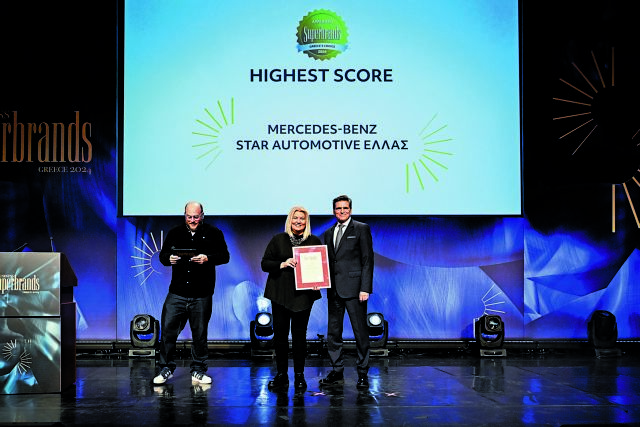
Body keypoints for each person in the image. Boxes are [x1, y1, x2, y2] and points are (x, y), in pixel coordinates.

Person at [153, 201, 230, 385]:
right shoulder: (175, 233)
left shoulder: (214, 233)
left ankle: (198, 370)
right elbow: (162, 256)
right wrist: (169, 258)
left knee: (200, 334)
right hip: (177, 292)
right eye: (189, 217)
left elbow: (225, 256)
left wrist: (207, 258)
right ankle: (166, 368)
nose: (193, 220)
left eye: (196, 217)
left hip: (202, 293)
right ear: (184, 215)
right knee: (168, 331)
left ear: (202, 215)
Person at [261, 206, 322, 390]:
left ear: (306, 221)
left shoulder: (314, 241)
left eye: (302, 218)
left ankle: (299, 376)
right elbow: (265, 264)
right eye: (295, 218)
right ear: (290, 220)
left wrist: (318, 280)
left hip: (303, 296)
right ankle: (281, 375)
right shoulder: (278, 239)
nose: (298, 221)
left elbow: (320, 268)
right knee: (280, 336)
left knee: (299, 336)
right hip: (280, 294)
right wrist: (282, 263)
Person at [320, 195, 374, 389]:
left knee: (360, 333)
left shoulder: (361, 228)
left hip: (355, 290)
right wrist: (318, 280)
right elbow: (327, 261)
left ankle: (362, 373)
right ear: (333, 211)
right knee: (333, 333)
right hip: (334, 290)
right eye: (338, 208)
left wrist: (365, 288)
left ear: (350, 209)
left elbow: (367, 260)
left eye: (345, 208)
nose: (342, 211)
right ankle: (337, 371)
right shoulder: (328, 232)